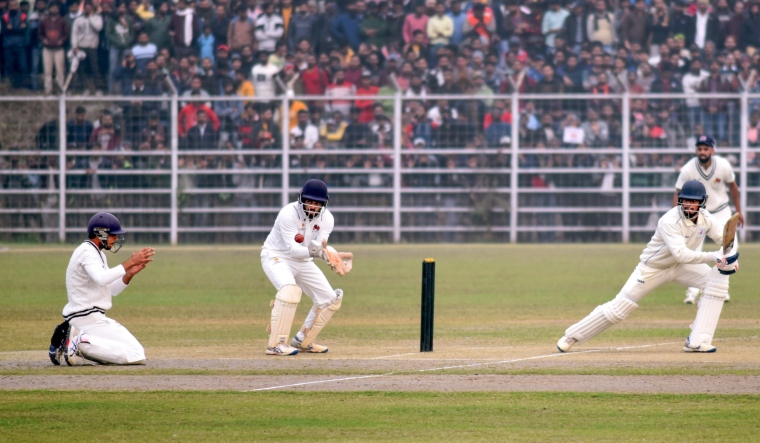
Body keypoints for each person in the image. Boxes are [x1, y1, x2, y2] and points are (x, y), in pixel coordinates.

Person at [557, 180, 739, 354]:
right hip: (653, 269)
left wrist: (730, 257)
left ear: (702, 203)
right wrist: (713, 256)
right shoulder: (669, 220)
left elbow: (725, 240)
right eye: (686, 200)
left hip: (680, 267)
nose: (689, 205)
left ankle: (698, 341)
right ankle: (571, 337)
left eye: (694, 201)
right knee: (619, 309)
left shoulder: (706, 219)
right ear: (680, 200)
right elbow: (681, 253)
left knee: (717, 283)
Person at [48, 212, 155, 366]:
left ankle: (74, 340)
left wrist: (129, 273)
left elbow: (111, 289)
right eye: (113, 235)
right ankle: (77, 341)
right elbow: (102, 278)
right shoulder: (87, 252)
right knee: (136, 354)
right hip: (87, 319)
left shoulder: (96, 253)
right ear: (101, 233)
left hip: (90, 319)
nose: (116, 238)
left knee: (134, 351)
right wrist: (130, 262)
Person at [261, 179, 353, 356]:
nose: (312, 206)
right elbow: (293, 249)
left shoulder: (327, 219)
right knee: (290, 291)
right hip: (277, 256)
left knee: (329, 299)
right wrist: (319, 252)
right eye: (309, 201)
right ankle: (276, 344)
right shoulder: (288, 213)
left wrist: (330, 255)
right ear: (302, 198)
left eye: (317, 203)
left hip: (303, 260)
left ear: (323, 204)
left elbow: (319, 245)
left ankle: (303, 340)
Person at [674, 135, 743, 304]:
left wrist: (739, 211)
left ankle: (722, 289)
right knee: (693, 250)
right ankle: (692, 292)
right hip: (698, 213)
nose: (702, 152)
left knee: (730, 247)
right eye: (700, 149)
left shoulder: (723, 165)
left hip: (721, 210)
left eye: (706, 149)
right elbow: (677, 192)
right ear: (696, 150)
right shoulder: (688, 169)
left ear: (712, 150)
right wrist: (676, 216)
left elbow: (733, 187)